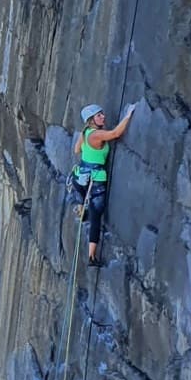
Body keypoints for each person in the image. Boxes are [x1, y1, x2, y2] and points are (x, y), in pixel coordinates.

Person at [70, 102, 135, 267]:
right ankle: (91, 256)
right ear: (92, 120)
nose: (103, 116)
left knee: (90, 211)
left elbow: (77, 150)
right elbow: (115, 133)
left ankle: (81, 208)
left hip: (81, 177)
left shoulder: (85, 133)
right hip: (96, 179)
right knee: (96, 216)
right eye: (99, 115)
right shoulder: (95, 135)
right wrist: (128, 115)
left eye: (102, 113)